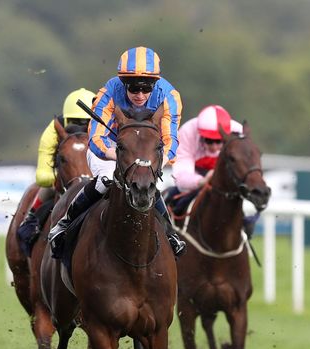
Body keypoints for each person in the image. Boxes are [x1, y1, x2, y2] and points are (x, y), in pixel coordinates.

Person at [48, 46, 186, 257]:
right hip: (111, 148)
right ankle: (65, 224)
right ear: (123, 83)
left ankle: (170, 234)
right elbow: (95, 139)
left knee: (146, 182)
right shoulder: (109, 92)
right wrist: (121, 155)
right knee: (106, 179)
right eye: (133, 88)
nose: (140, 95)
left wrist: (153, 162)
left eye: (146, 88)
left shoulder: (170, 96)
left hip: (147, 151)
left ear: (155, 84)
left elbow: (171, 139)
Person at [16, 88, 95, 256]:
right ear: (65, 119)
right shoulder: (53, 130)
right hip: (64, 177)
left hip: (95, 178)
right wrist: (66, 180)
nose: (80, 127)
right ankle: (31, 220)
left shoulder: (105, 128)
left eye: (86, 122)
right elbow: (42, 177)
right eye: (74, 121)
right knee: (47, 188)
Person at [170, 104, 258, 235]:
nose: (215, 146)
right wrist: (202, 181)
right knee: (168, 201)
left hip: (225, 182)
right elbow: (181, 177)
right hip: (197, 177)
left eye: (219, 141)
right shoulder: (187, 132)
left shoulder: (238, 132)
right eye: (209, 141)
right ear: (201, 135)